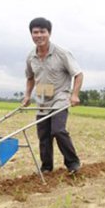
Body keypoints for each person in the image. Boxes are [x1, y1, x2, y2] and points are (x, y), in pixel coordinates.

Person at [22, 17, 84, 174]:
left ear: (49, 33)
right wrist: (27, 95)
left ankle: (73, 164)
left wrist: (74, 95)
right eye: (35, 32)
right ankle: (46, 167)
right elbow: (30, 77)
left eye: (42, 32)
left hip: (60, 96)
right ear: (31, 35)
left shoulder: (62, 53)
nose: (39, 35)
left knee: (58, 130)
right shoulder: (31, 57)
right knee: (43, 135)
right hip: (42, 98)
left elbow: (78, 74)